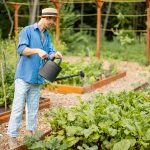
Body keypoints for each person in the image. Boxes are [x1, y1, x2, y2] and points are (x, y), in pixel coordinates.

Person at [7, 7, 62, 148]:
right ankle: (12, 137)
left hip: (38, 77)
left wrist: (54, 54)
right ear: (45, 18)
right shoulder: (28, 31)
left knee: (33, 108)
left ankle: (30, 135)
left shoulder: (47, 35)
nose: (53, 23)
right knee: (18, 108)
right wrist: (37, 50)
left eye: (54, 20)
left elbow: (49, 52)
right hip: (24, 76)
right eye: (51, 20)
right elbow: (21, 49)